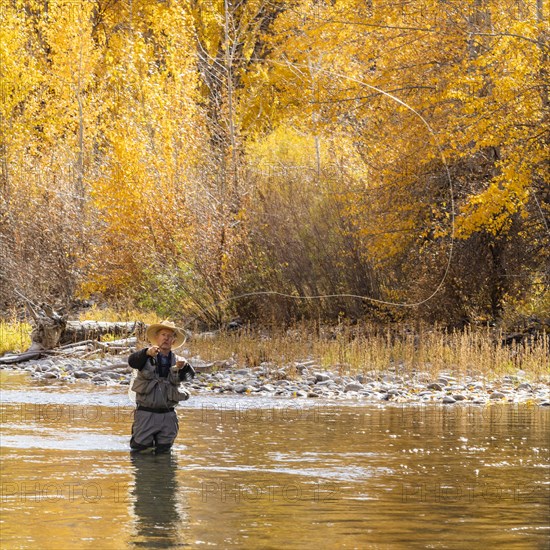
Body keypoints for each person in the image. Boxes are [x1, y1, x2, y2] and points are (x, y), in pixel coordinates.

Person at [128, 320, 195, 454]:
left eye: (169, 336)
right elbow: (132, 361)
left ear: (173, 341)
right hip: (145, 414)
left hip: (168, 416)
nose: (166, 338)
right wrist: (146, 352)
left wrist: (185, 367)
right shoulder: (144, 357)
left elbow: (190, 377)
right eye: (163, 334)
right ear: (157, 338)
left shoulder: (179, 360)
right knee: (140, 451)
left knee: (165, 452)